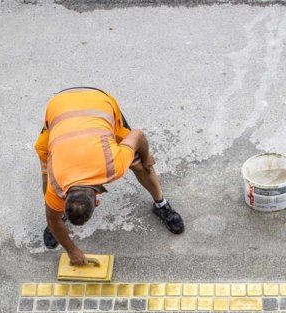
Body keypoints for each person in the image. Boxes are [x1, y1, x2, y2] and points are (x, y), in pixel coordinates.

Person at [34, 87, 184, 265]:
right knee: (46, 176)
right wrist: (71, 249)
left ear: (97, 200)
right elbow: (50, 217)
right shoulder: (56, 181)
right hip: (59, 107)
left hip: (98, 103)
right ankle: (60, 219)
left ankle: (161, 204)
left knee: (140, 165)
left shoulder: (113, 165)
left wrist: (145, 156)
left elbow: (138, 135)